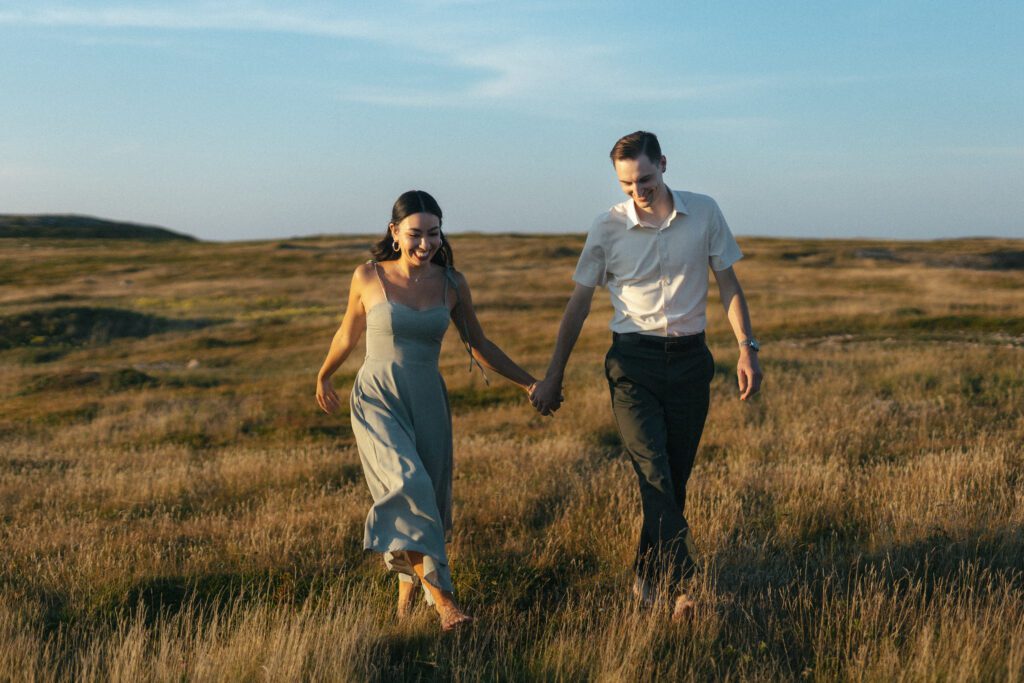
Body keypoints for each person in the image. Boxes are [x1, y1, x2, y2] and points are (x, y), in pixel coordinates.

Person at [529, 131, 763, 621]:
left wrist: (746, 347)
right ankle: (681, 588)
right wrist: (554, 375)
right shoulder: (607, 227)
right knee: (654, 473)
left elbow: (729, 283)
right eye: (627, 183)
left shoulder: (705, 212)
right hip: (632, 365)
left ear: (663, 164)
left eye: (645, 179)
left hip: (691, 362)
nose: (638, 190)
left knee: (673, 480)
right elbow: (578, 304)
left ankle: (646, 578)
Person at [316, 190, 537, 631]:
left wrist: (530, 383)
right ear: (394, 232)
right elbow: (346, 334)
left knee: (427, 504)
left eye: (434, 233)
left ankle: (404, 605)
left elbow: (480, 344)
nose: (425, 243)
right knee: (408, 485)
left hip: (428, 400)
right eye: (415, 234)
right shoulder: (367, 276)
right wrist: (324, 375)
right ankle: (446, 603)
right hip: (377, 398)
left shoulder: (453, 284)